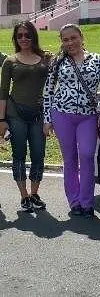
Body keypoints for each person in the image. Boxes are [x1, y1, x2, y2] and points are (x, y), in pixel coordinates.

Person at [43, 24, 100, 218]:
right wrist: (47, 119)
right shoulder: (58, 61)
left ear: (81, 37)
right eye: (65, 40)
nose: (70, 42)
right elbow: (48, 90)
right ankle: (75, 201)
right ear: (62, 42)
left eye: (73, 38)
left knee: (87, 155)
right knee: (69, 159)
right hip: (62, 114)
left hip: (88, 116)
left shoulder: (96, 59)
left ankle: (88, 202)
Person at [0, 21, 51, 212]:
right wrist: (1, 120)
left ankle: (35, 193)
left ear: (33, 37)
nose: (24, 38)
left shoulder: (45, 59)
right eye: (20, 35)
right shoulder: (10, 61)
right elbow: (3, 92)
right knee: (19, 155)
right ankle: (24, 196)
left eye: (27, 35)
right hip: (16, 115)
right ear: (15, 38)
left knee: (38, 155)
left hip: (38, 114)